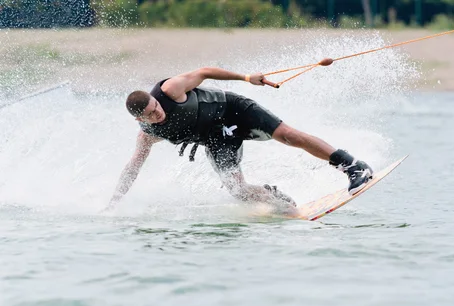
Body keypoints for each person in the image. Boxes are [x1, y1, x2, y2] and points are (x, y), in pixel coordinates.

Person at [106, 67, 373, 213]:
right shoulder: (148, 135)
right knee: (238, 190)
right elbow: (133, 167)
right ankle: (276, 200)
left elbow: (206, 71)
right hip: (216, 139)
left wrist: (246, 78)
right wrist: (115, 202)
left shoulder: (171, 89)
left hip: (233, 108)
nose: (158, 112)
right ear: (141, 120)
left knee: (288, 135)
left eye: (156, 106)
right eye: (152, 115)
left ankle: (353, 166)